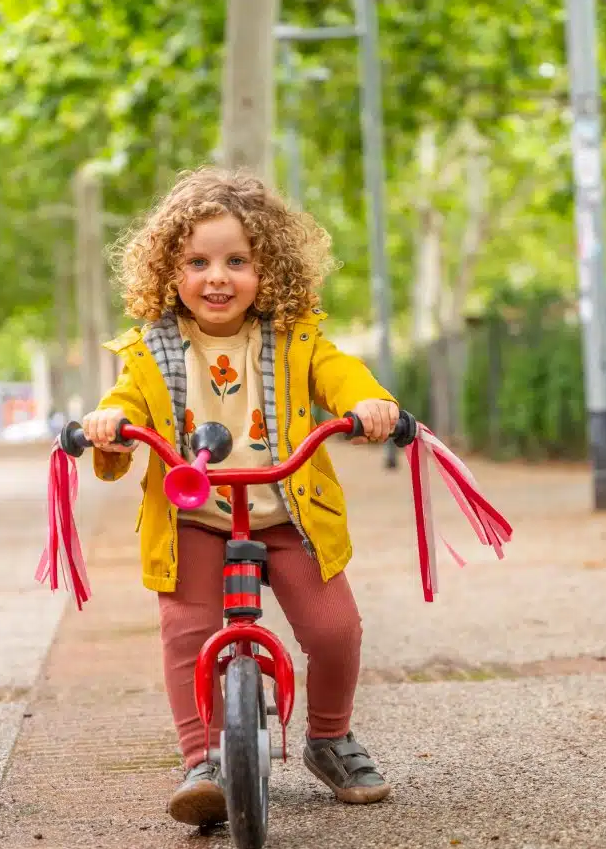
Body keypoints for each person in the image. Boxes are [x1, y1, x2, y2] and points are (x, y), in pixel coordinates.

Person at [82, 167, 399, 827]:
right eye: (197, 262)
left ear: (268, 269)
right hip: (194, 515)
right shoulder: (152, 350)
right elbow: (126, 401)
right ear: (170, 272)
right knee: (185, 630)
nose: (217, 277)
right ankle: (202, 761)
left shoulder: (292, 337)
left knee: (335, 629)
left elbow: (337, 372)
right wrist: (109, 424)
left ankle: (330, 737)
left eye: (237, 261)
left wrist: (368, 402)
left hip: (286, 511)